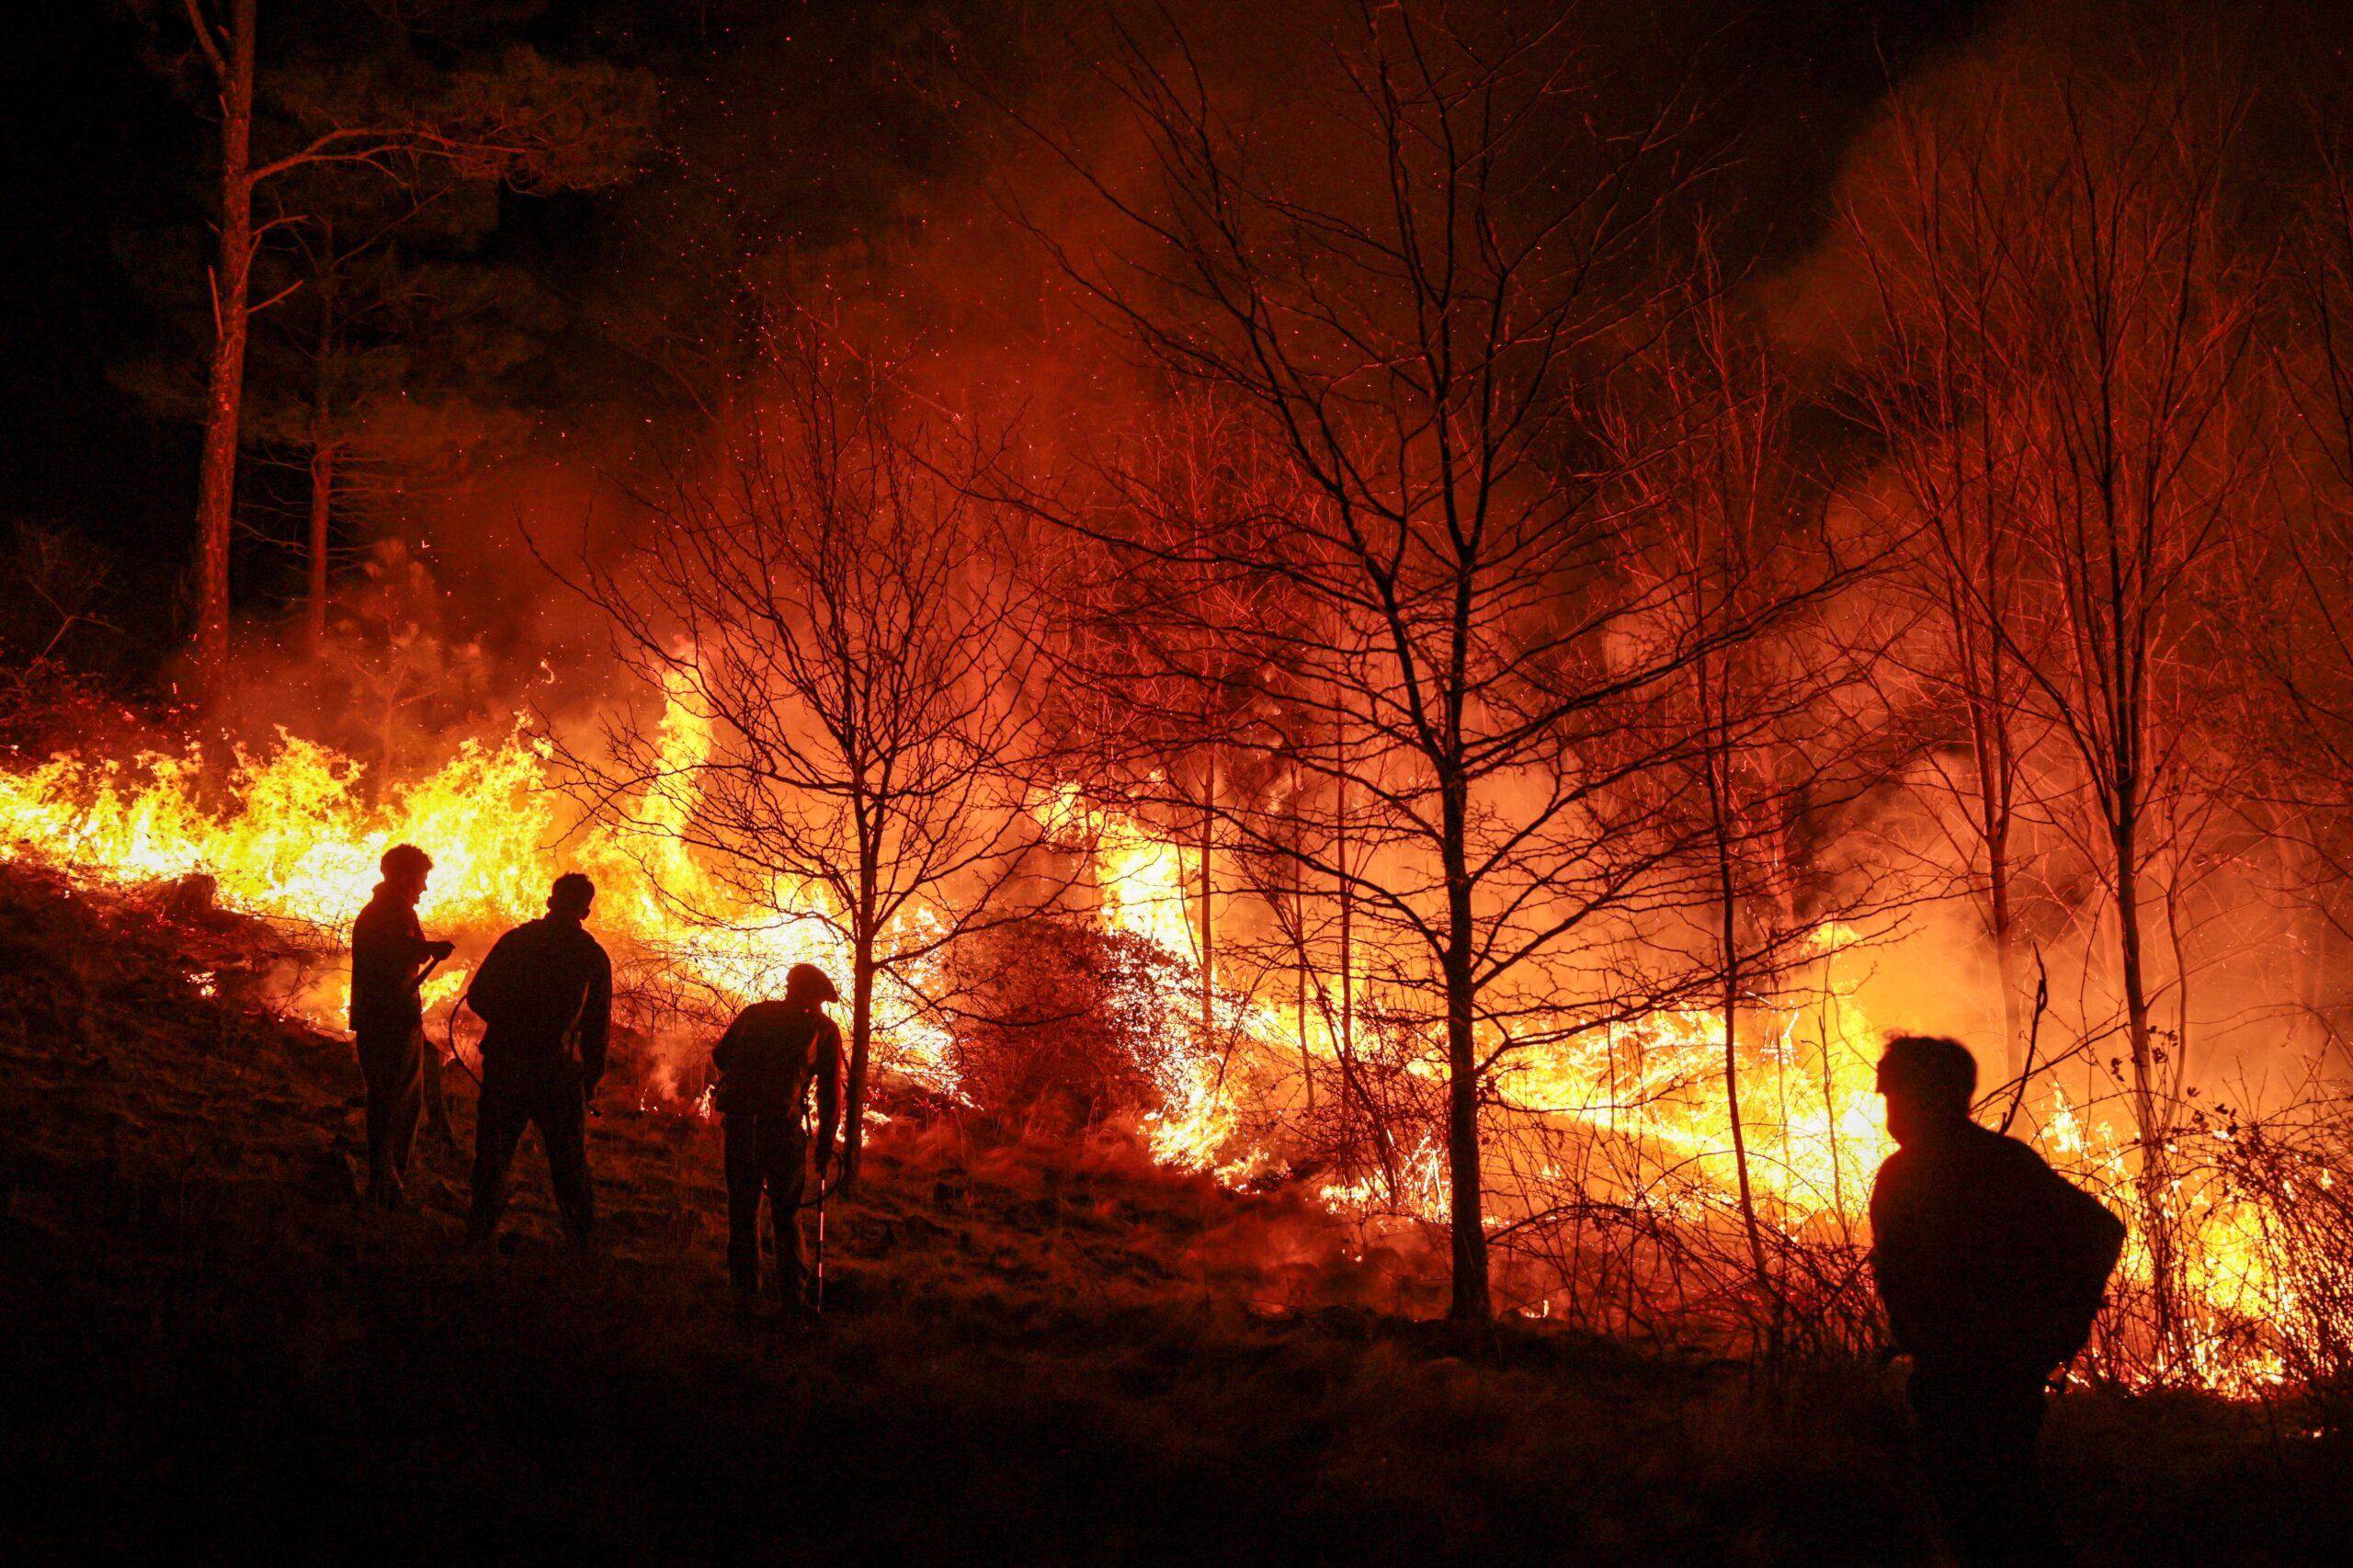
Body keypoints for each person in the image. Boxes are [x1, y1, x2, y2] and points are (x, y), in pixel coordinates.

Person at [1870, 1035, 2125, 1568]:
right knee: (1999, 1508)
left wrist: (2054, 1331)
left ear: (1926, 1096)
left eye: (1893, 1095)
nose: (1889, 1110)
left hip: (1970, 1375)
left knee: (1987, 1514)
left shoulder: (1910, 1174)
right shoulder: (2004, 1160)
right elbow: (2098, 1230)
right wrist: (2057, 1332)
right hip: (1987, 1371)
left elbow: (2098, 1231)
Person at [460, 872, 612, 1253]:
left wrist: (510, 1023)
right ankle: (581, 1249)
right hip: (555, 1070)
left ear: (550, 901)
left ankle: (479, 1238)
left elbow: (477, 995)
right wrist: (590, 1077)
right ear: (586, 910)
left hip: (507, 1062)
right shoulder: (591, 955)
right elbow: (597, 1025)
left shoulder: (518, 940)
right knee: (569, 1164)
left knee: (494, 1155)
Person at [710, 962, 845, 1312]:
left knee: (742, 1212)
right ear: (816, 998)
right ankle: (794, 1301)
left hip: (740, 1125)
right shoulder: (823, 1029)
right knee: (786, 1215)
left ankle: (745, 1297)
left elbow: (720, 1056)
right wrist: (826, 1141)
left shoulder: (755, 1014)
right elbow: (830, 1094)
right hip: (781, 1131)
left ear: (789, 987)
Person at [349, 844, 456, 1209]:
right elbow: (393, 951)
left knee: (393, 1100)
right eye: (421, 880)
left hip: (388, 1017)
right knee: (394, 1103)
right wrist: (430, 949)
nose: (424, 889)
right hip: (389, 1019)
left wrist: (425, 949)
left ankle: (388, 1182)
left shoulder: (388, 910)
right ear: (403, 877)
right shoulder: (390, 911)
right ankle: (386, 1187)